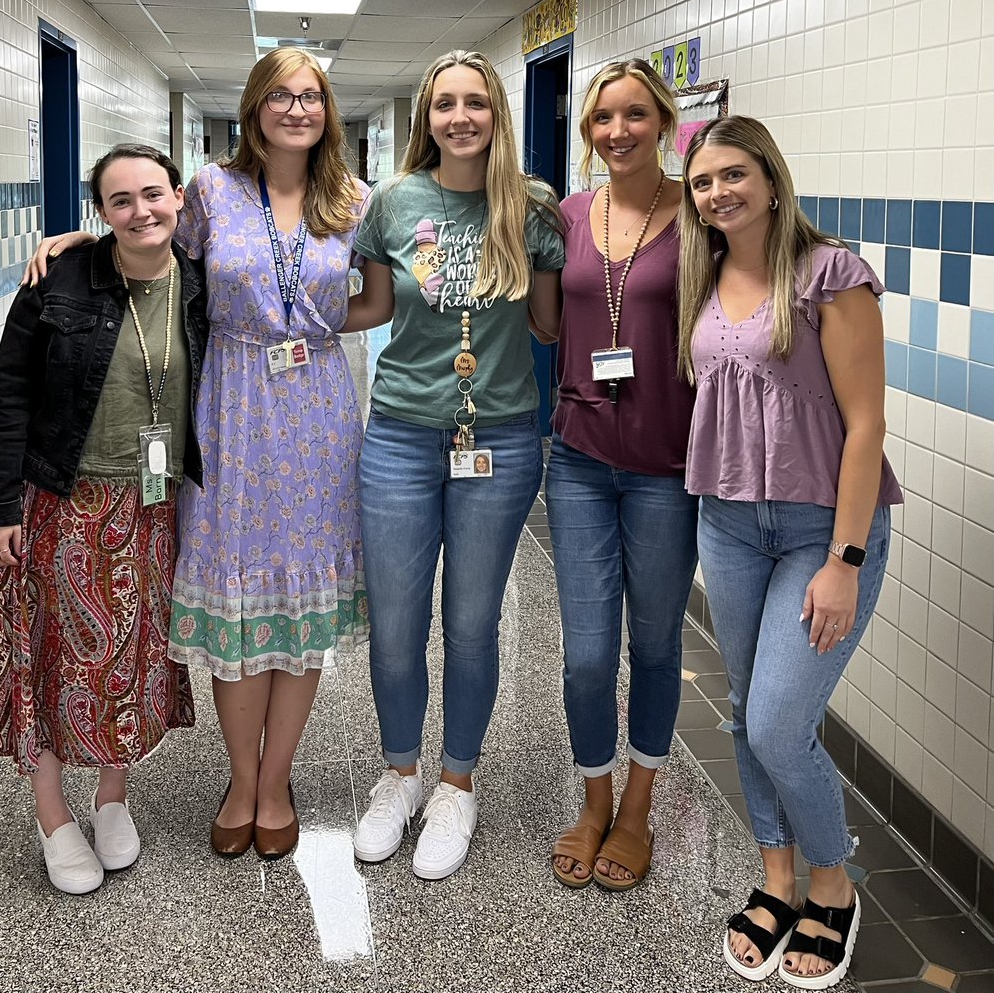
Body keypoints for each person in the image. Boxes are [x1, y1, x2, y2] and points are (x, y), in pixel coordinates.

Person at [25, 47, 368, 863]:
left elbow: (377, 297)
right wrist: (84, 238)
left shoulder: (353, 199)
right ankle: (239, 780)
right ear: (254, 108)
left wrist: (312, 335)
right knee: (235, 603)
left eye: (310, 95)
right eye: (279, 95)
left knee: (299, 601)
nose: (295, 108)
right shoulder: (213, 189)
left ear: (328, 110)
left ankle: (275, 781)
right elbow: (155, 251)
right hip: (229, 409)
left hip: (317, 411)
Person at [677, 116, 901, 987]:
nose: (717, 193)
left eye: (732, 175)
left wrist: (843, 562)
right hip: (728, 525)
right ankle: (774, 881)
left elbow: (864, 426)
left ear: (770, 178)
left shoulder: (827, 274)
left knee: (778, 720)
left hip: (820, 531)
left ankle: (831, 888)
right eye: (701, 182)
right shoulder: (704, 274)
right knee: (744, 710)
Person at [342, 49, 563, 880]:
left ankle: (455, 784)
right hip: (399, 433)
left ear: (496, 113)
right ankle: (398, 775)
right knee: (396, 626)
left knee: (471, 624)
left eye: (475, 102)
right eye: (444, 104)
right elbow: (366, 303)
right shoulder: (392, 203)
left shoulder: (532, 208)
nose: (459, 117)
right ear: (424, 118)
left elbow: (547, 325)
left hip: (498, 439)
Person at [0, 144, 206, 894]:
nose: (141, 211)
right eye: (119, 201)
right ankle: (51, 814)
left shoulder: (197, 281)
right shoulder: (59, 279)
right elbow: (9, 392)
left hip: (153, 504)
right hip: (60, 502)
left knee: (129, 657)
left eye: (152, 194)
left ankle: (111, 797)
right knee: (50, 658)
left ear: (178, 197)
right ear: (99, 214)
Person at [545, 60, 699, 892]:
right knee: (584, 655)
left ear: (664, 122)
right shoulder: (570, 215)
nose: (617, 131)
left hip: (667, 470)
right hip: (575, 460)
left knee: (654, 643)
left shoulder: (698, 218)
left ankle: (638, 809)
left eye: (635, 114)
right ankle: (593, 798)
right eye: (603, 117)